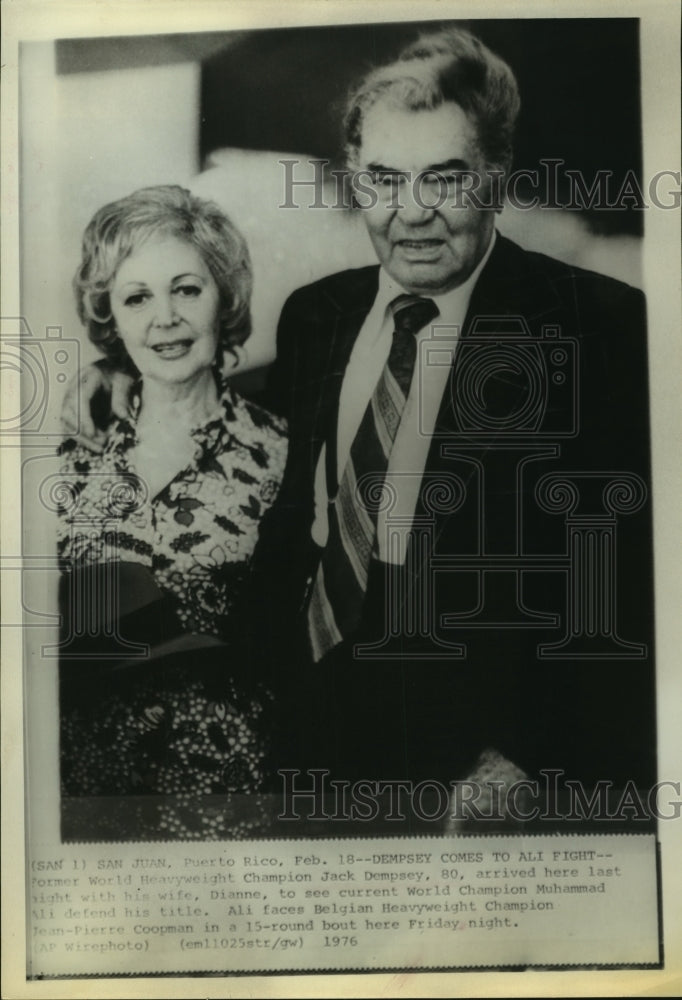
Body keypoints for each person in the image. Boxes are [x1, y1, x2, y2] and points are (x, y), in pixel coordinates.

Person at [63, 30, 656, 830]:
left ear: (496, 178)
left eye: (443, 179)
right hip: (294, 738)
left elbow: (625, 588)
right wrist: (131, 369)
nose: (409, 212)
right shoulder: (320, 315)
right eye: (383, 179)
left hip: (466, 775)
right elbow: (263, 411)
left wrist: (521, 764)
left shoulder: (597, 325)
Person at [57, 185, 288, 840]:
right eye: (137, 298)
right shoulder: (66, 459)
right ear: (112, 318)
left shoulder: (283, 456)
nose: (165, 319)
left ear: (224, 299)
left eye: (186, 289)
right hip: (87, 806)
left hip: (228, 804)